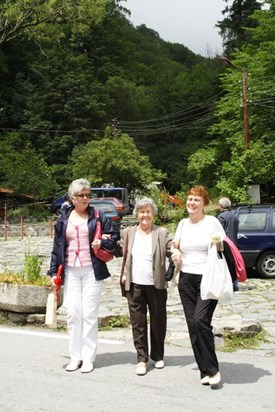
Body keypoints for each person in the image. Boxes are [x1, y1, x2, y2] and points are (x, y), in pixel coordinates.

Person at [47, 178, 118, 373]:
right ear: (72, 198)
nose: (86, 198)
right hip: (70, 270)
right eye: (81, 195)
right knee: (73, 314)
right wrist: (53, 272)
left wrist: (101, 243)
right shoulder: (63, 218)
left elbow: (113, 238)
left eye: (88, 195)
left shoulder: (98, 215)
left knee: (89, 314)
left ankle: (88, 358)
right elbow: (57, 248)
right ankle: (75, 357)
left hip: (91, 270)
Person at [172, 186, 225, 387]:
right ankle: (204, 370)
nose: (192, 203)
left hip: (208, 277)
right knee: (192, 325)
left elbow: (223, 246)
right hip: (186, 279)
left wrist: (218, 243)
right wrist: (174, 251)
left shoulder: (211, 222)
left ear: (204, 204)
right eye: (190, 199)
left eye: (196, 200)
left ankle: (213, 369)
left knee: (201, 320)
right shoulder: (183, 224)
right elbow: (175, 244)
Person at [119, 197, 172, 376]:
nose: (145, 215)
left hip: (156, 285)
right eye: (142, 212)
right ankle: (142, 358)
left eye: (148, 211)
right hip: (134, 285)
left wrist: (177, 249)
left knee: (158, 321)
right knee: (138, 323)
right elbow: (119, 249)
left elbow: (171, 245)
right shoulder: (128, 232)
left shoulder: (162, 232)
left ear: (153, 214)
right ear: (136, 215)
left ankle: (158, 356)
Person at [218, 197, 239, 291]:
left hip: (225, 243)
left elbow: (219, 231)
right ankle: (235, 284)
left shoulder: (221, 216)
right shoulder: (234, 216)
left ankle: (227, 284)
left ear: (222, 206)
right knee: (233, 263)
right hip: (234, 243)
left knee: (225, 264)